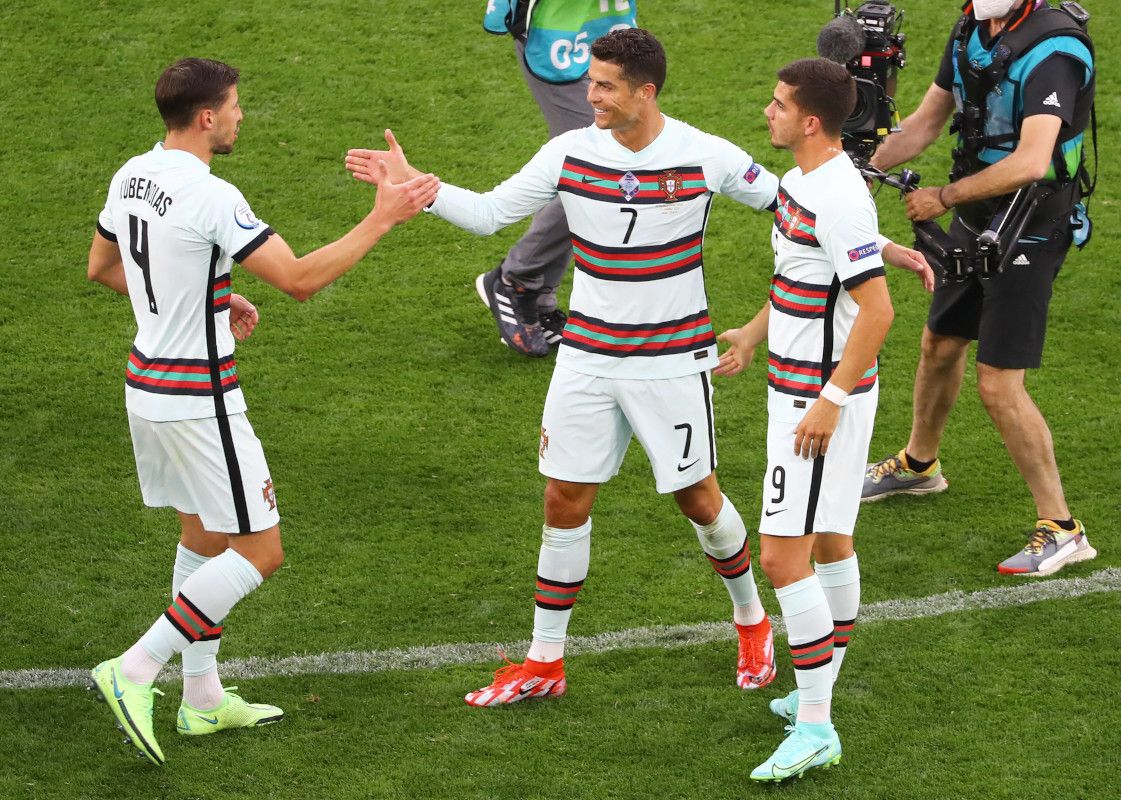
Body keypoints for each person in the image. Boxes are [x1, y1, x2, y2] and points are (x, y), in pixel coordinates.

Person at [348, 28, 783, 704]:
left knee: (698, 499)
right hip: (586, 356)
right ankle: (545, 661)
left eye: (606, 85)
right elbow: (492, 214)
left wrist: (878, 251)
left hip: (670, 362)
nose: (591, 96)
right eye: (591, 82)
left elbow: (796, 211)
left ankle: (752, 619)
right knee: (563, 498)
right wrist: (419, 187)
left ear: (646, 91)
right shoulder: (569, 152)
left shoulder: (709, 157)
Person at [86, 57, 438, 765]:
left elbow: (105, 267)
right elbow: (301, 280)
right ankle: (134, 670)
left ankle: (204, 701)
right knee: (259, 549)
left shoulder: (132, 173)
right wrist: (382, 217)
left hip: (146, 388)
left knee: (206, 536)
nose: (243, 116)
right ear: (207, 117)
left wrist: (210, 295)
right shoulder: (212, 195)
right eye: (236, 106)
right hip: (199, 399)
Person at [717, 58, 930, 783]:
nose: (766, 114)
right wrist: (752, 331)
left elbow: (877, 311)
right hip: (813, 389)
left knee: (781, 558)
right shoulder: (804, 185)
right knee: (832, 538)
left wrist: (828, 405)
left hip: (817, 401)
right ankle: (821, 688)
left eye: (777, 106)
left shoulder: (836, 195)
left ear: (810, 121)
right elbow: (803, 282)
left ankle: (816, 724)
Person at [860, 0, 1097, 576]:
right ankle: (920, 466)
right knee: (940, 343)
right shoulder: (972, 27)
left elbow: (1033, 161)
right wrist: (852, 171)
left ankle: (1062, 528)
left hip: (1031, 221)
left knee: (999, 386)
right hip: (977, 205)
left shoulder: (1057, 51)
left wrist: (943, 196)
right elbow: (924, 123)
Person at [477, 0, 637, 357]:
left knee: (597, 168)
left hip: (603, 31)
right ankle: (515, 281)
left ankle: (537, 296)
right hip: (557, 42)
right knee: (597, 167)